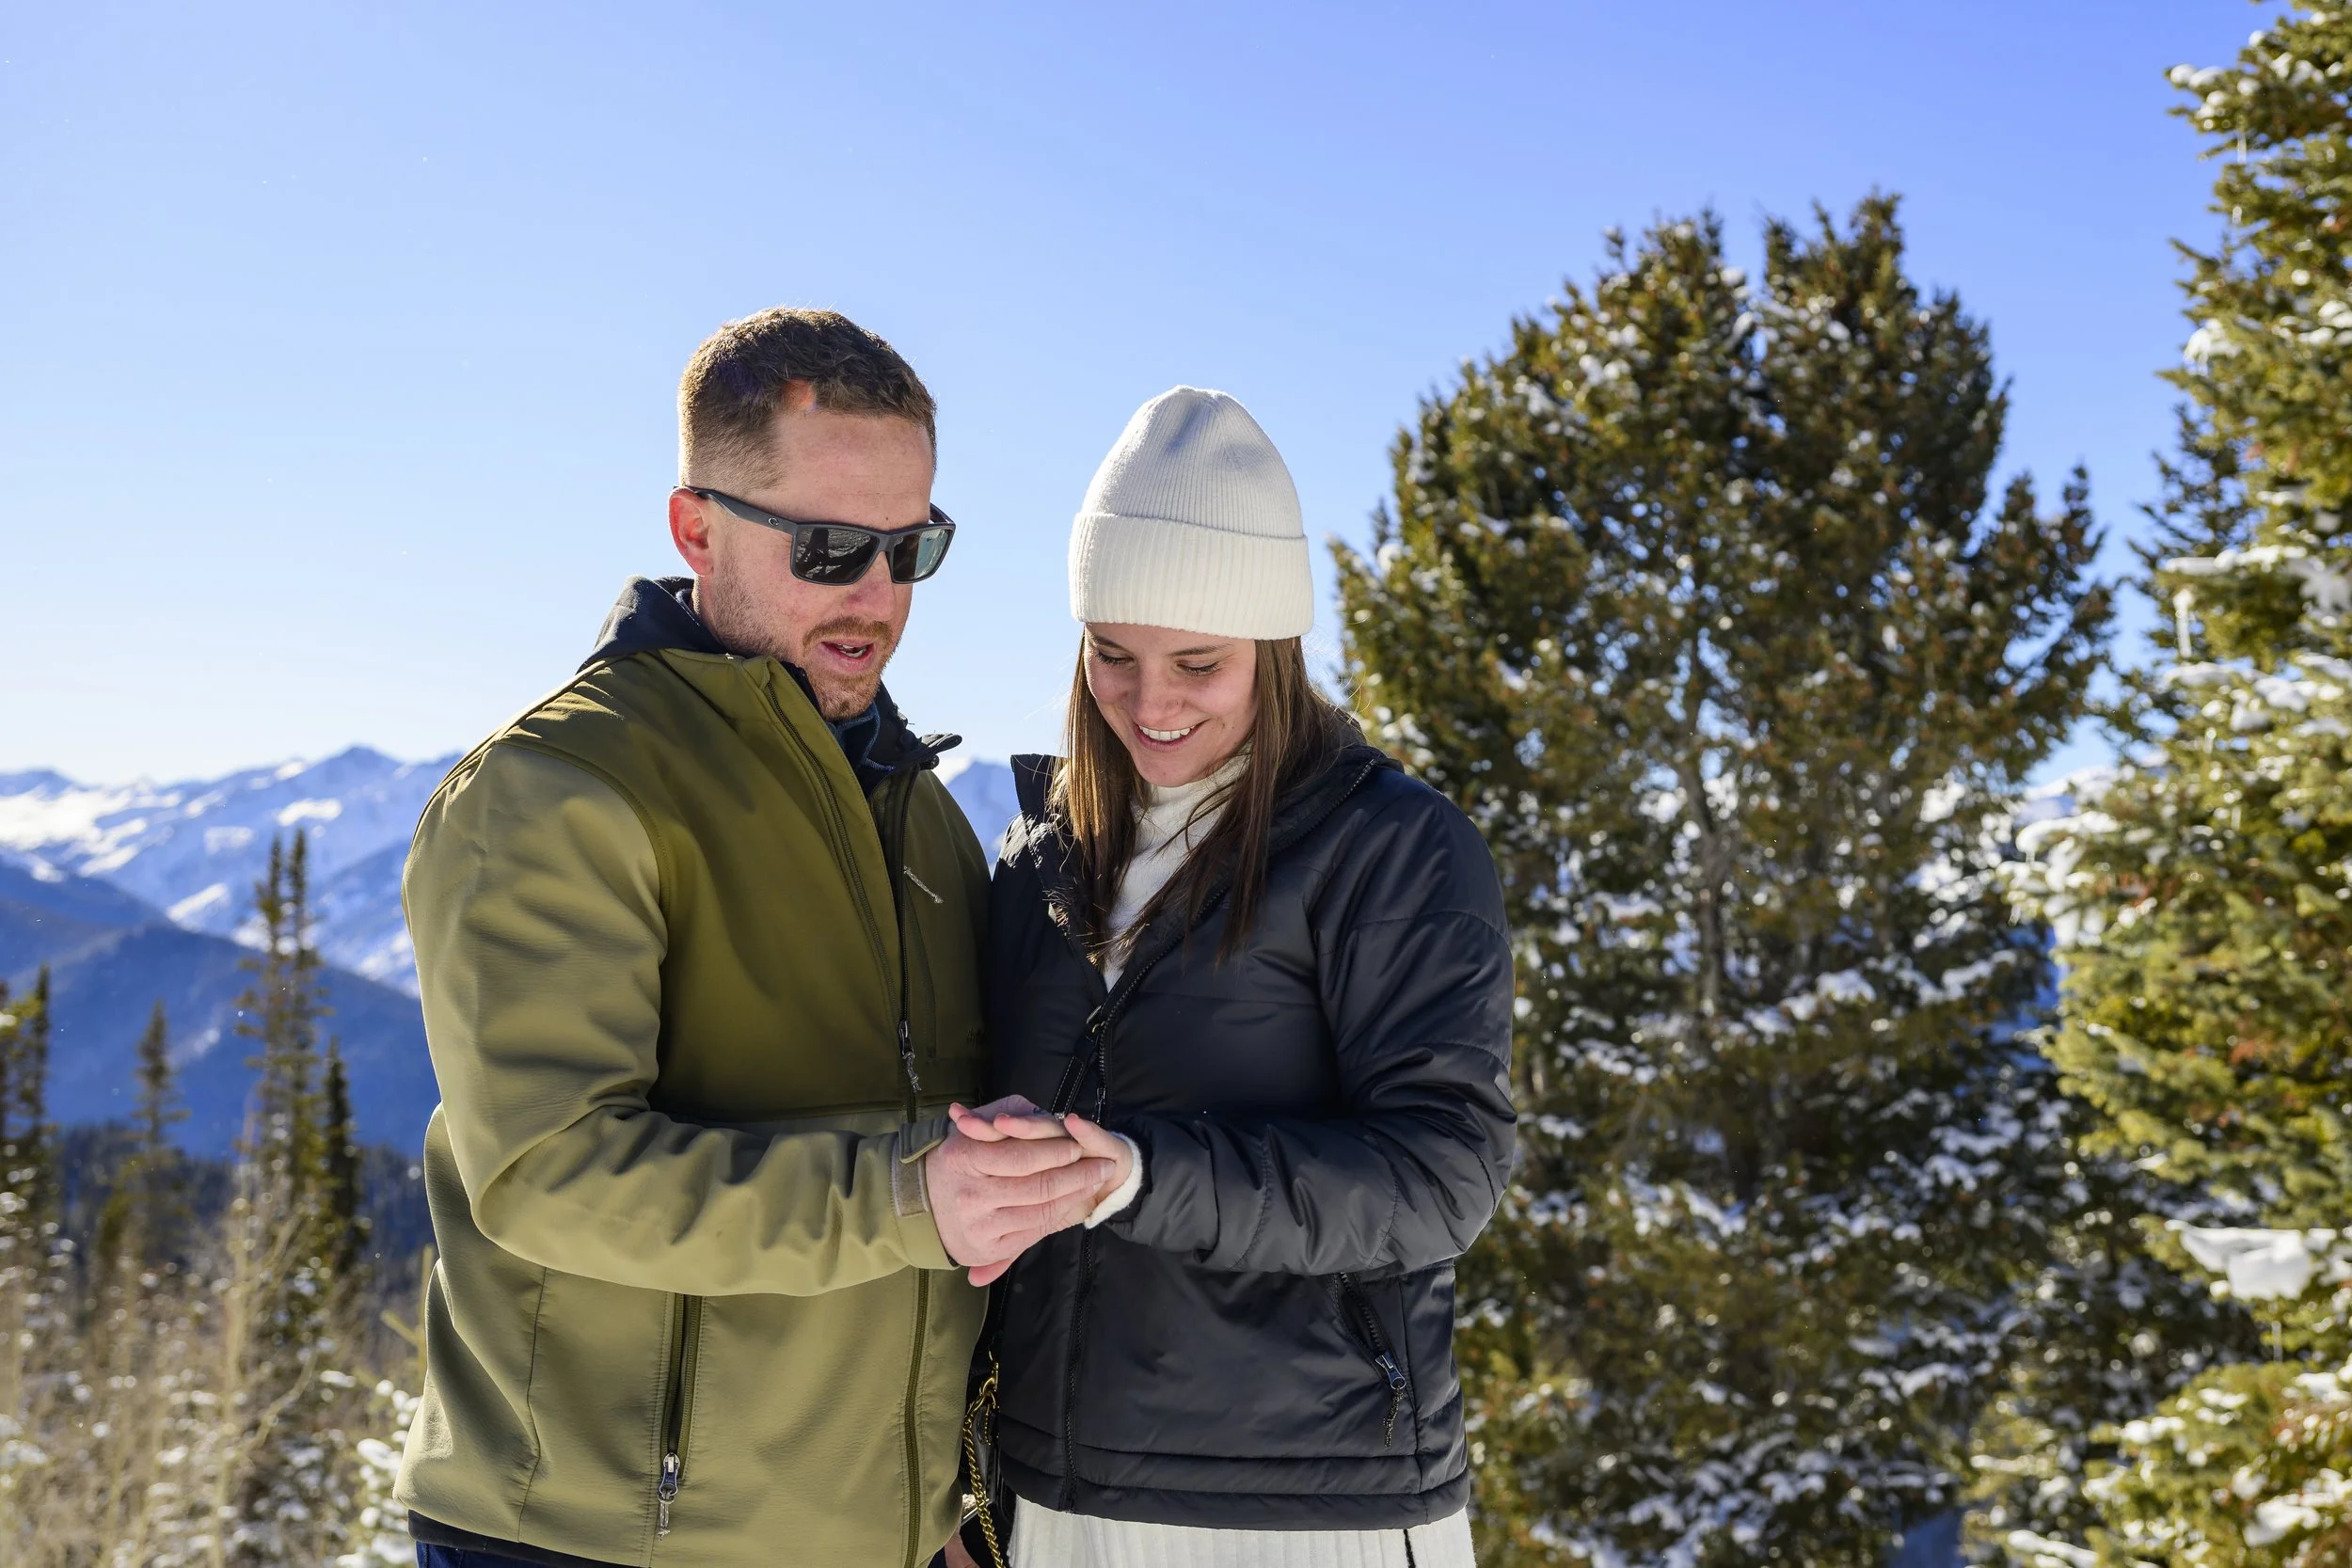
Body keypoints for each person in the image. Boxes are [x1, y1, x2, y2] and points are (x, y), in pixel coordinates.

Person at [393, 308, 1116, 1568]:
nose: (877, 598)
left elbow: (931, 1184)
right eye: (830, 547)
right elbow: (548, 1172)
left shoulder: (923, 821)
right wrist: (909, 1193)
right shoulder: (560, 788)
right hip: (595, 1539)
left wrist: (932, 1494)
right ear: (697, 526)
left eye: (911, 548)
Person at [954, 388, 1517, 1568]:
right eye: (1113, 655)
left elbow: (1441, 1172)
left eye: (1197, 663)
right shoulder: (1043, 854)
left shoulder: (1391, 847)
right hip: (1058, 1493)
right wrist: (963, 1489)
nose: (1149, 704)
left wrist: (1138, 1174)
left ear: (1274, 645)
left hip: (1314, 1504)